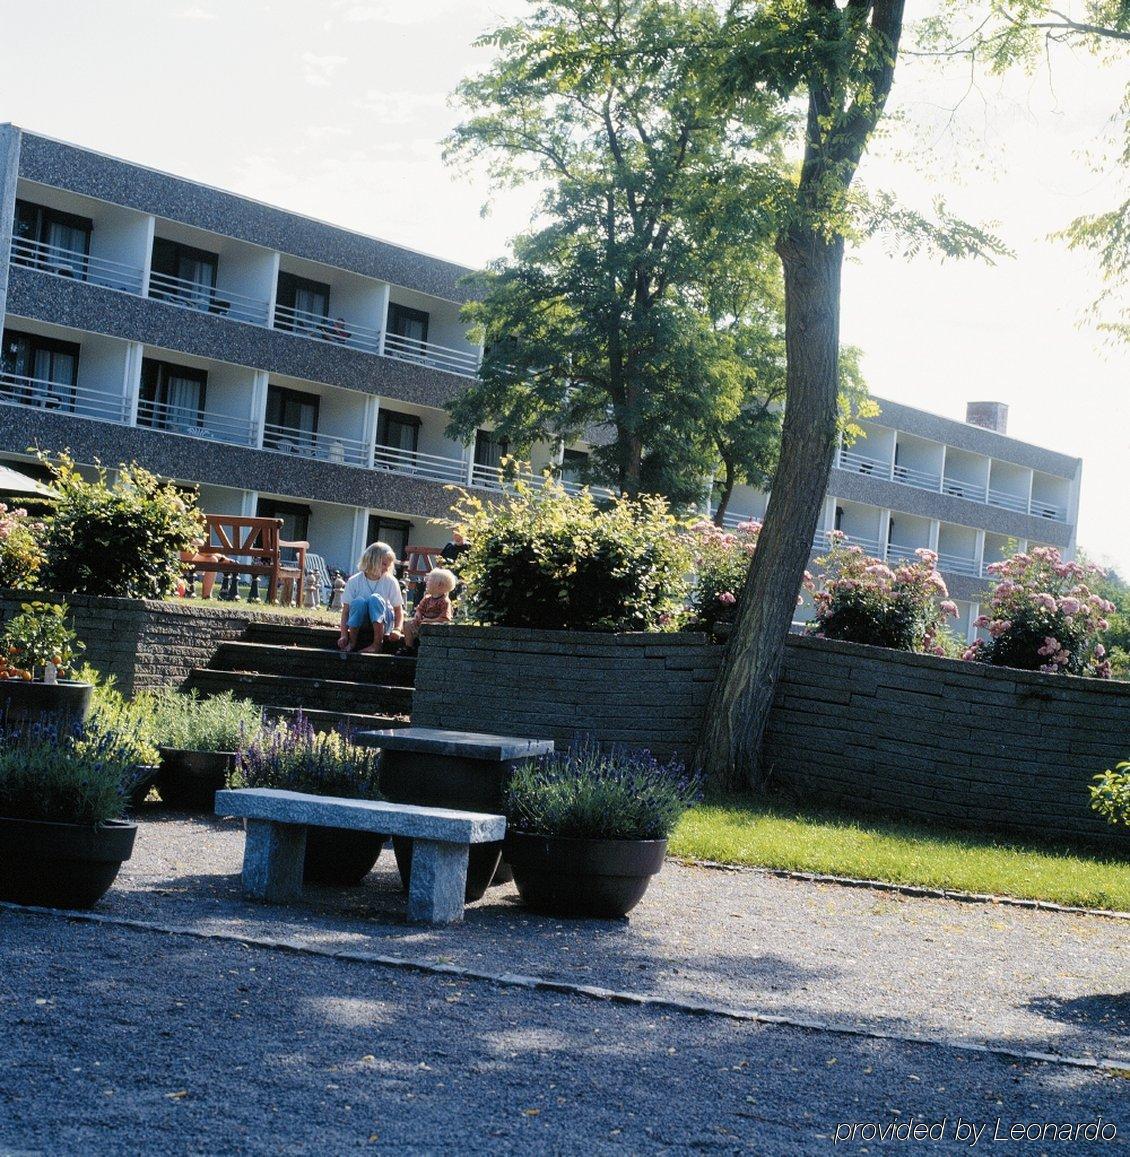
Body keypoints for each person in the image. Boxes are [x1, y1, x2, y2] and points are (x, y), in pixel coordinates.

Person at [337, 541, 404, 654]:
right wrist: (343, 635)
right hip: (361, 622)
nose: (387, 568)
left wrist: (397, 629)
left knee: (375, 599)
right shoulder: (354, 581)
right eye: (383, 564)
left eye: (388, 565)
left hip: (383, 621)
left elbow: (398, 610)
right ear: (372, 561)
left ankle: (377, 644)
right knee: (358, 601)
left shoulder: (390, 581)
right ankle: (352, 642)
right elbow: (345, 612)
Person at [399, 567, 456, 653]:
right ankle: (409, 647)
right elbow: (420, 609)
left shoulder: (444, 602)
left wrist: (430, 620)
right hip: (421, 624)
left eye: (429, 581)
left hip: (434, 627)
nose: (426, 583)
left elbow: (445, 619)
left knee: (428, 628)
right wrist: (418, 614)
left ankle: (424, 648)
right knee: (407, 624)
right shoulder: (427, 598)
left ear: (439, 585)